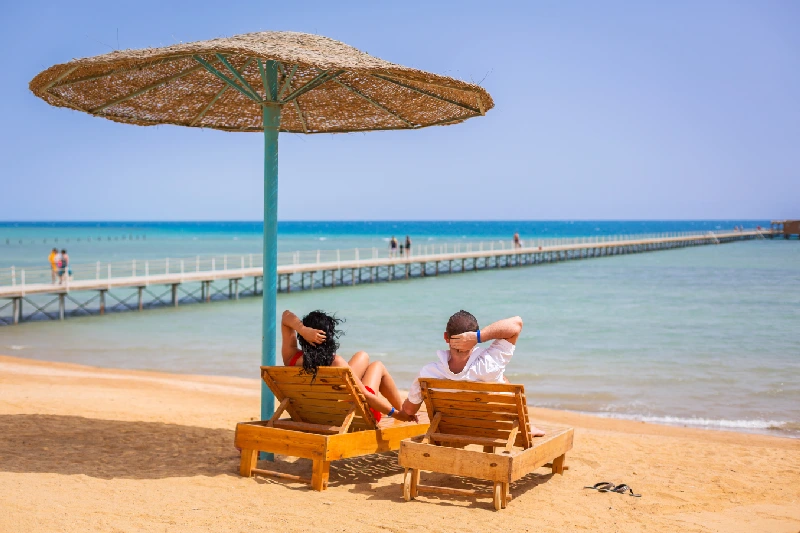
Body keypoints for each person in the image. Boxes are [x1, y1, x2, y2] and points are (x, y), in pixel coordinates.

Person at [399, 310, 545, 436]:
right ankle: (528, 426)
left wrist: (405, 410)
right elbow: (516, 323)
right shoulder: (489, 365)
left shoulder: (428, 373)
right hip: (493, 429)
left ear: (446, 337)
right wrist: (478, 337)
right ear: (472, 340)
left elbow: (409, 410)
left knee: (499, 377)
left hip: (451, 431)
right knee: (500, 378)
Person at [281, 309, 417, 422]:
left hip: (314, 415)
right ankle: (404, 412)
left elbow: (285, 316)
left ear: (303, 337)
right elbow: (366, 396)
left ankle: (403, 411)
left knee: (362, 356)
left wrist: (303, 329)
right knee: (377, 365)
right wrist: (396, 414)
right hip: (352, 416)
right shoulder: (336, 362)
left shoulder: (291, 357)